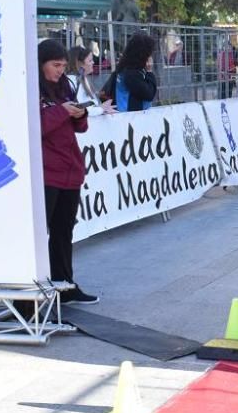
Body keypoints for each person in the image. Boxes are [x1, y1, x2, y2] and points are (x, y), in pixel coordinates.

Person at [38, 40, 97, 304]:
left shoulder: (64, 87)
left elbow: (80, 128)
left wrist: (78, 114)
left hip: (69, 169)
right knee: (42, 234)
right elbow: (36, 127)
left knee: (64, 232)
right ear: (41, 64)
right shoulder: (30, 91)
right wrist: (62, 113)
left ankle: (65, 285)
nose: (60, 70)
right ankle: (39, 288)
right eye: (55, 65)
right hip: (46, 172)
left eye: (63, 65)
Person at [103, 33, 158, 113]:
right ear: (142, 54)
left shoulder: (124, 67)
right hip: (130, 116)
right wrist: (149, 71)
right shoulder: (131, 74)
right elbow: (149, 95)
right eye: (149, 53)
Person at [67, 46, 115, 117]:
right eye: (90, 60)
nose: (93, 62)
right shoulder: (74, 81)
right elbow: (80, 110)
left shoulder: (82, 79)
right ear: (80, 64)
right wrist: (101, 108)